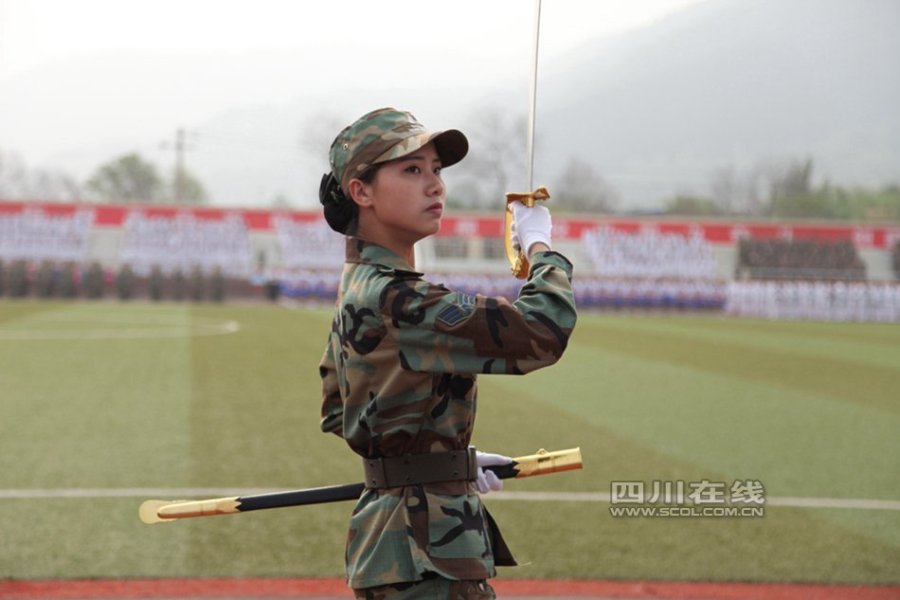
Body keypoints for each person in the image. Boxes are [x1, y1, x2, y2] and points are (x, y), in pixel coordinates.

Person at [317, 107, 577, 599]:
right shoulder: (398, 299)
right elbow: (543, 330)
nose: (435, 185)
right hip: (425, 557)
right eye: (411, 170)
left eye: (436, 169)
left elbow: (339, 410)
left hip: (398, 549)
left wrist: (444, 461)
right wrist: (542, 247)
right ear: (361, 191)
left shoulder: (359, 285)